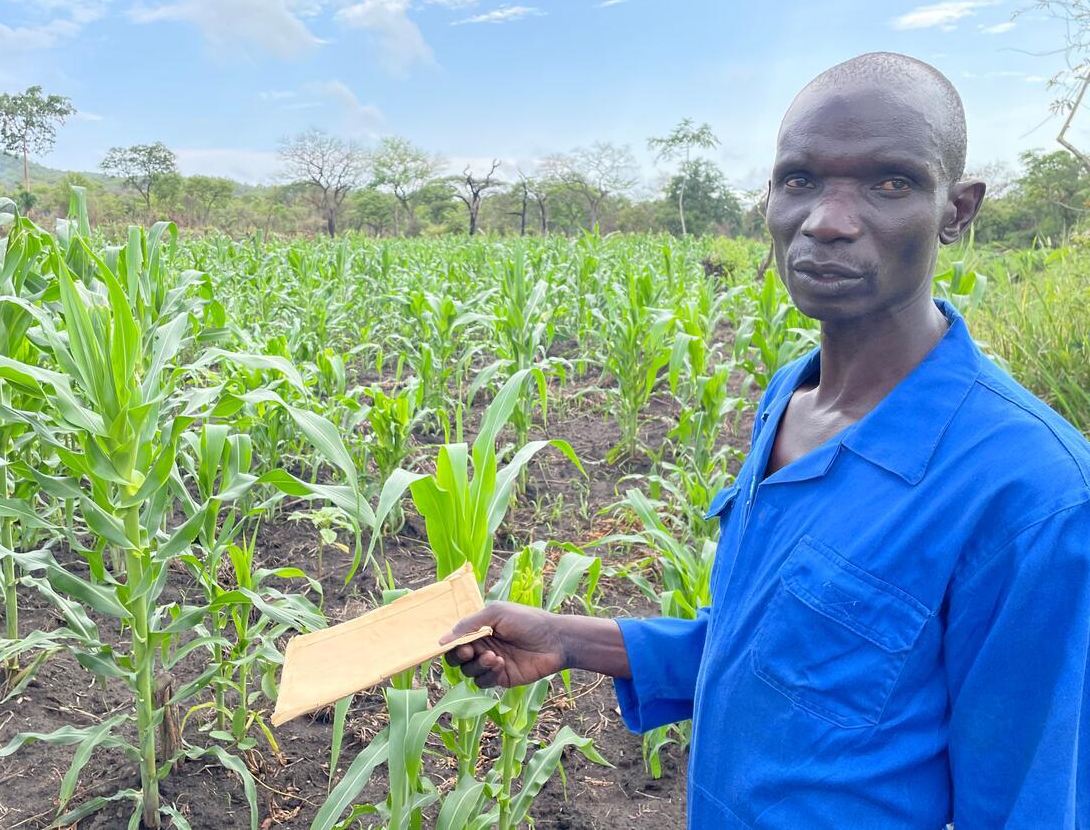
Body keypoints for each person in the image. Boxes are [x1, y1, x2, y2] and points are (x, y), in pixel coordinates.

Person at [441, 52, 1090, 828]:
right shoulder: (789, 397)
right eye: (801, 180)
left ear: (957, 210)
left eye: (890, 182)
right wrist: (568, 639)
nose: (829, 220)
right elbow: (777, 647)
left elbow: (1031, 802)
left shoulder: (1033, 495)